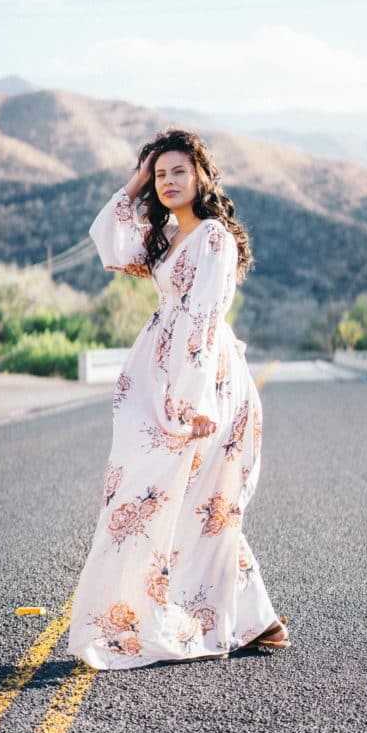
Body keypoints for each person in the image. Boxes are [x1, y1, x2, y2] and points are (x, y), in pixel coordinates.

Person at [67, 129, 290, 670]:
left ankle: (235, 618)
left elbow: (203, 317)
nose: (168, 182)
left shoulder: (212, 238)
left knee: (179, 498)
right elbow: (109, 243)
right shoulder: (166, 238)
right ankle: (257, 620)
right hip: (162, 382)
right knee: (182, 501)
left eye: (178, 172)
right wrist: (136, 181)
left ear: (202, 177)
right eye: (160, 174)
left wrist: (195, 401)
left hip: (203, 382)